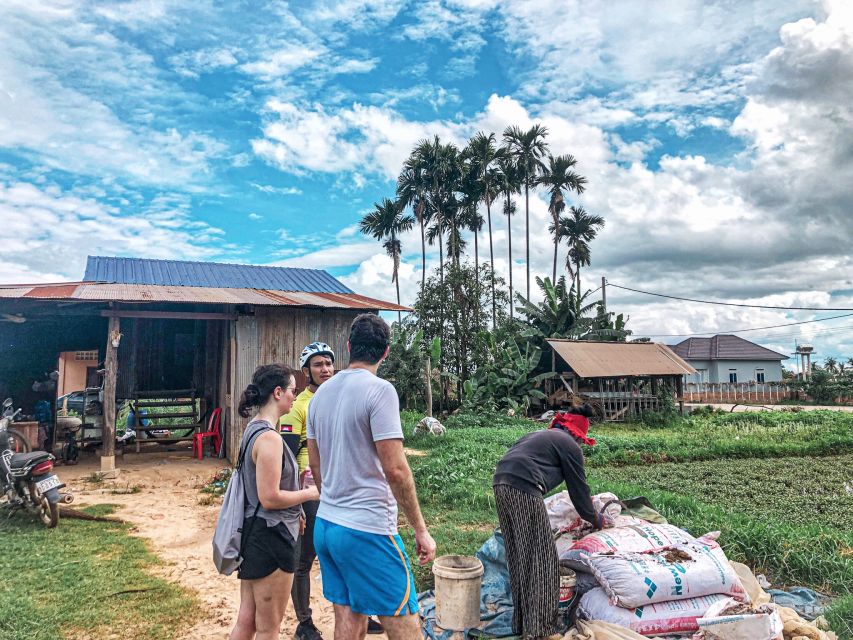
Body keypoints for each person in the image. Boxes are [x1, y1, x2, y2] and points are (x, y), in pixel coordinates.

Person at [307, 313, 436, 640]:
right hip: (367, 530)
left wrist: (334, 502)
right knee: (404, 621)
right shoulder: (380, 391)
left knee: (349, 618)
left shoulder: (319, 396)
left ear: (348, 346)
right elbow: (395, 468)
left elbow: (316, 465)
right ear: (386, 352)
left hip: (327, 526)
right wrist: (421, 530)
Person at [280, 342, 383, 639]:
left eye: (328, 363)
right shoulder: (297, 407)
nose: (325, 369)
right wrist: (297, 504)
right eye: (318, 365)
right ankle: (304, 623)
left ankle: (360, 614)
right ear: (306, 372)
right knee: (305, 558)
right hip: (310, 489)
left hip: (341, 487)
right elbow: (286, 460)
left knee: (349, 552)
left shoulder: (339, 398)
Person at [492, 403, 612, 640]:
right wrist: (596, 519)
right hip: (524, 487)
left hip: (501, 483)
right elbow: (579, 491)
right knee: (543, 558)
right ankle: (543, 631)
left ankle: (524, 624)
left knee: (520, 555)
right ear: (578, 435)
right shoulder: (570, 446)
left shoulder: (540, 435)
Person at [230, 364, 321, 640]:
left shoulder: (253, 430)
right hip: (273, 539)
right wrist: (309, 494)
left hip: (255, 533)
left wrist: (297, 508)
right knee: (269, 628)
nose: (296, 396)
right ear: (278, 392)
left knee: (246, 621)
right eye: (293, 390)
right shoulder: (270, 439)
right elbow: (269, 498)